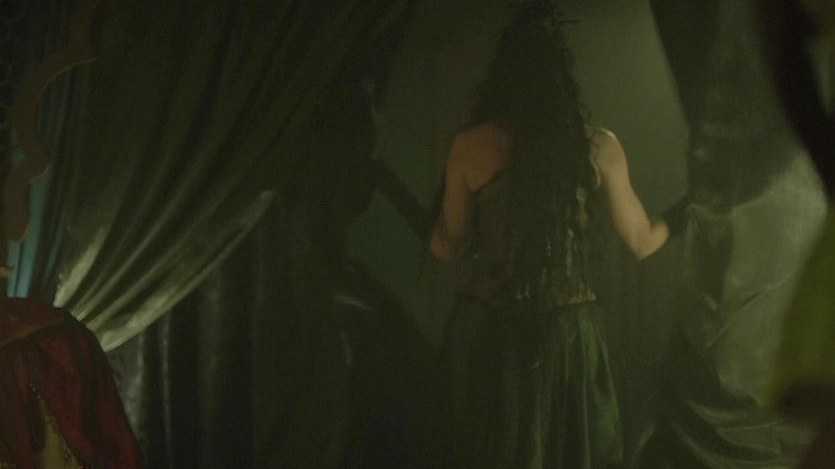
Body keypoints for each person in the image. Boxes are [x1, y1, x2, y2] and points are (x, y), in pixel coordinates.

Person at [429, 2, 685, 467]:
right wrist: (690, 208)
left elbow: (448, 247)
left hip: (491, 331)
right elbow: (642, 241)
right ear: (563, 74)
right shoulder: (598, 147)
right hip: (568, 338)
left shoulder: (471, 145)